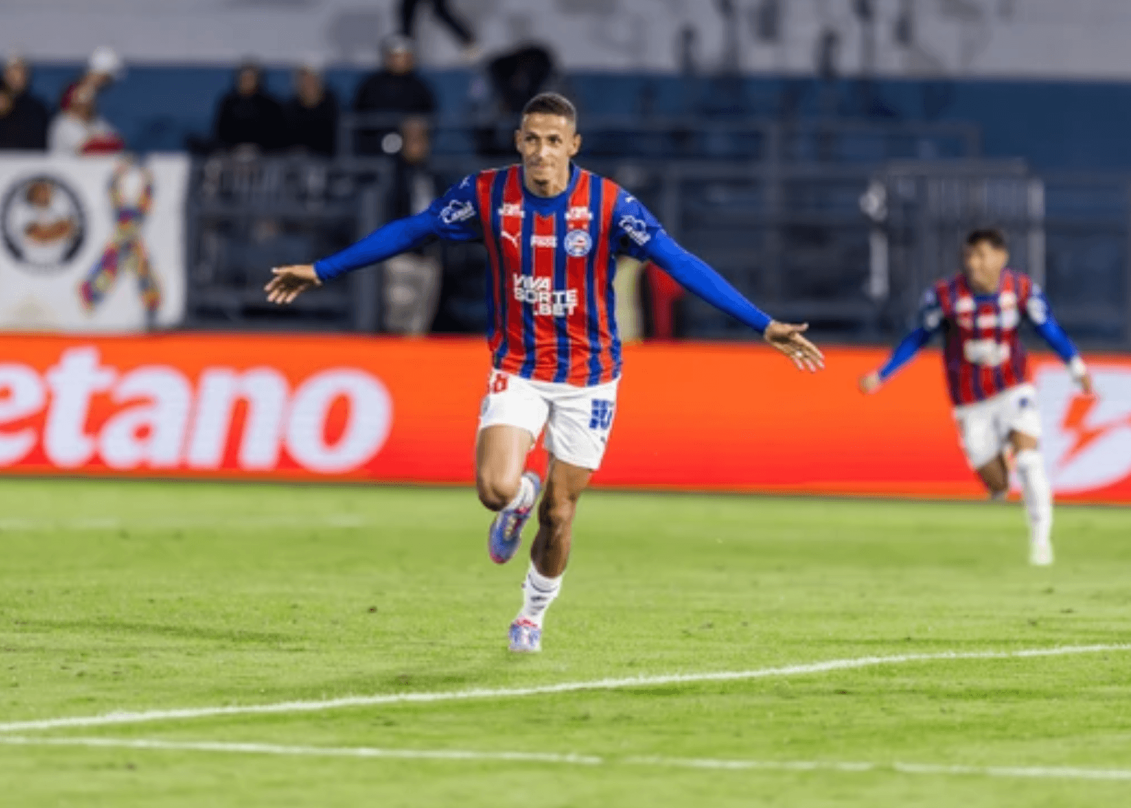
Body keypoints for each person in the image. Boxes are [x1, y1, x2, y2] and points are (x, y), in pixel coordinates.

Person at [265, 93, 824, 653]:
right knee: (493, 488)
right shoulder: (486, 194)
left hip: (591, 377)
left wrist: (761, 323)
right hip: (520, 366)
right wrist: (323, 269)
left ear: (573, 146)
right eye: (532, 139)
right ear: (518, 142)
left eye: (554, 140)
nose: (541, 151)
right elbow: (415, 230)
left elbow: (679, 261)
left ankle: (531, 615)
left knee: (560, 513)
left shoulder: (610, 207)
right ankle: (517, 499)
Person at [859, 228, 1093, 567]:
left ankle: (1041, 543)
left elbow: (1050, 329)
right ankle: (1003, 483)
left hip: (1013, 386)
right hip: (969, 401)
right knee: (996, 485)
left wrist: (1075, 365)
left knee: (1029, 461)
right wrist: (882, 374)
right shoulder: (945, 295)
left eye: (981, 255)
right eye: (969, 256)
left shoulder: (1022, 290)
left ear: (1001, 257)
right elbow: (917, 338)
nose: (974, 264)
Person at [383, 116, 441, 334]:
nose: (418, 145)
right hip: (402, 258)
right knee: (398, 320)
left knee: (420, 324)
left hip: (428, 258)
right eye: (413, 139)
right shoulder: (393, 175)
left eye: (422, 139)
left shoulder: (430, 176)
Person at [351, 35, 437, 155]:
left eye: (404, 55)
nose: (400, 59)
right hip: (374, 139)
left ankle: (416, 173)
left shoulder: (420, 87)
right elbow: (359, 115)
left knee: (414, 134)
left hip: (409, 142)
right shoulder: (371, 85)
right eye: (395, 55)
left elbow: (429, 116)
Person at [214, 61, 285, 153]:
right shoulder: (228, 103)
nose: (247, 81)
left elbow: (276, 136)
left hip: (264, 154)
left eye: (251, 78)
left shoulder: (270, 105)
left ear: (258, 79)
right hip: (231, 153)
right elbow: (220, 133)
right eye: (244, 78)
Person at [48, 84, 124, 154]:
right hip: (66, 166)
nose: (88, 100)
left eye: (90, 96)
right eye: (83, 96)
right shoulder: (63, 122)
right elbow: (89, 147)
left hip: (96, 165)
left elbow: (118, 142)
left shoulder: (97, 121)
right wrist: (102, 141)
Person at [283, 62, 340, 157]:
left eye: (310, 78)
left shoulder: (329, 104)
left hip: (322, 157)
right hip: (294, 156)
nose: (306, 83)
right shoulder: (290, 107)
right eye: (303, 79)